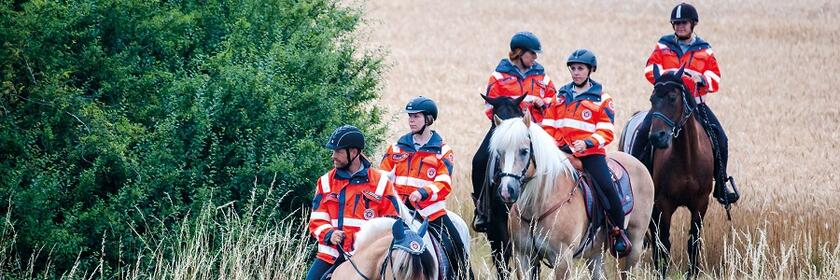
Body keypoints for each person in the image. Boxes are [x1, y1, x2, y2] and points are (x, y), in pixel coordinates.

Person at [633, 2, 738, 205]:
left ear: (693, 24)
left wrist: (702, 78)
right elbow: (649, 69)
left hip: (695, 104)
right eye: (677, 23)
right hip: (667, 104)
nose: (680, 26)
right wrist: (670, 76)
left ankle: (721, 185)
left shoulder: (704, 50)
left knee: (720, 137)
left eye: (684, 23)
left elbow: (715, 77)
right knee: (643, 131)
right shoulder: (663, 45)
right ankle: (634, 181)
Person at [542, 49, 629, 255]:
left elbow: (606, 130)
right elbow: (548, 125)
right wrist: (555, 147)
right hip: (561, 153)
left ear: (590, 70)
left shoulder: (602, 99)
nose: (576, 72)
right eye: (573, 68)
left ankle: (618, 232)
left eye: (580, 68)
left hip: (591, 154)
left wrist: (587, 143)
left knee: (608, 187)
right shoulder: (560, 96)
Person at [472, 31, 557, 232]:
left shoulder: (542, 76)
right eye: (532, 54)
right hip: (504, 130)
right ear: (519, 53)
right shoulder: (498, 76)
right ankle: (482, 209)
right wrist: (507, 127)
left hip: (533, 130)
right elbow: (488, 108)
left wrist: (542, 103)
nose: (535, 58)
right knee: (479, 161)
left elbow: (554, 100)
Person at [380, 96, 471, 279]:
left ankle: (464, 275)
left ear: (428, 119)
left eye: (416, 116)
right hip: (397, 210)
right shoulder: (396, 148)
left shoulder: (442, 151)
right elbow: (382, 175)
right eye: (410, 116)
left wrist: (422, 193)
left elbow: (444, 184)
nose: (411, 120)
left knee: (456, 245)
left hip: (430, 212)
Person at [306, 125, 400, 280]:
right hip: (331, 255)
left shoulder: (381, 183)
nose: (333, 156)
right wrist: (329, 233)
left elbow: (391, 224)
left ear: (354, 152)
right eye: (333, 151)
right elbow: (316, 219)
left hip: (367, 258)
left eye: (338, 151)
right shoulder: (325, 182)